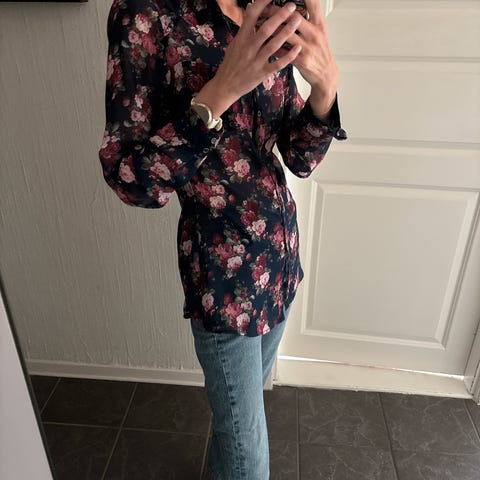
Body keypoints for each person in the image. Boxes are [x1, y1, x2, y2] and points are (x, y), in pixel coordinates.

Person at [98, 0, 346, 477]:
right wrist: (220, 91)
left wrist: (326, 85)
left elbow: (297, 157)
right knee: (248, 457)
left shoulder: (271, 8)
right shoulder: (147, 13)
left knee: (235, 430)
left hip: (280, 264)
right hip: (222, 281)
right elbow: (130, 179)